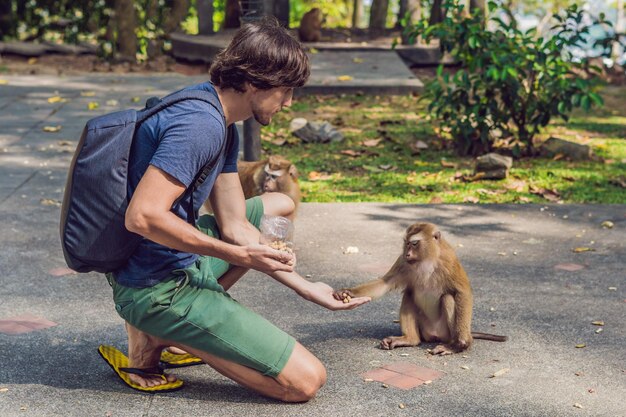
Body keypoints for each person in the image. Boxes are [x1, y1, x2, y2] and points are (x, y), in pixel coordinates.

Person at [103, 19, 370, 402]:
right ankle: (166, 331)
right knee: (304, 382)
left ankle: (183, 323)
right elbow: (142, 217)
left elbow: (236, 226)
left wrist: (308, 288)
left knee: (280, 203)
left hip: (168, 264)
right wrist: (236, 254)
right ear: (254, 81)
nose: (289, 102)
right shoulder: (199, 126)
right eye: (285, 90)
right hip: (155, 288)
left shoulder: (221, 119)